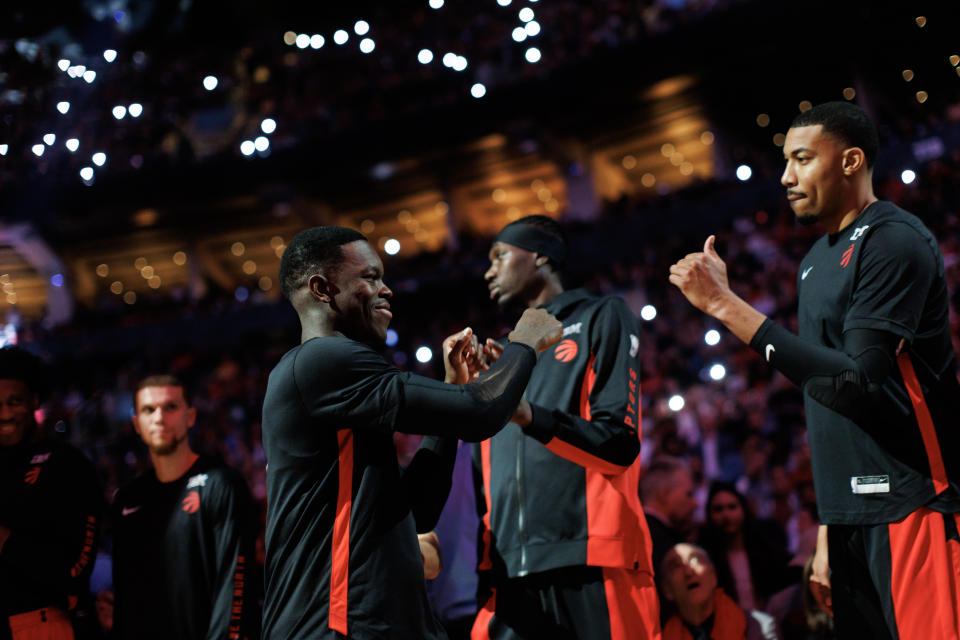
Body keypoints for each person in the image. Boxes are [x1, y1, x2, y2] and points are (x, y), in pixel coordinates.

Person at [669, 101, 960, 639]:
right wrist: (830, 526)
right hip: (849, 517)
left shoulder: (893, 240)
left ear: (850, 161)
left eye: (801, 159)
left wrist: (726, 306)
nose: (785, 176)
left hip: (913, 502)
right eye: (785, 160)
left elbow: (857, 382)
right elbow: (825, 400)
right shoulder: (813, 260)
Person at [261, 226, 561, 639]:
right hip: (335, 623)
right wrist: (523, 343)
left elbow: (416, 511)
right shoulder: (323, 361)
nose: (387, 290)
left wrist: (454, 388)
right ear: (322, 288)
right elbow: (481, 412)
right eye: (370, 277)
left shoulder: (337, 379)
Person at [473, 215, 659, 640]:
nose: (489, 270)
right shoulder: (499, 356)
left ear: (540, 255)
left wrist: (529, 415)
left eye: (500, 255)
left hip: (592, 560)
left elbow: (619, 442)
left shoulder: (602, 315)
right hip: (509, 573)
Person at [111, 375, 260, 640]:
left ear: (190, 416)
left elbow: (236, 585)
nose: (159, 418)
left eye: (170, 407)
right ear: (136, 424)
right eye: (149, 410)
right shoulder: (127, 499)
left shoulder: (221, 483)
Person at [0, 345, 102, 640]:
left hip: (46, 625)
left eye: (14, 401)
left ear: (34, 400)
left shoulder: (66, 464)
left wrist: (7, 542)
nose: (5, 414)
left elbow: (75, 571)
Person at [697, 483, 797, 612]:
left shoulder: (765, 548)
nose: (726, 515)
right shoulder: (706, 559)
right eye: (718, 509)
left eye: (732, 507)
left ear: (743, 509)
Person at [660, 543, 778, 640]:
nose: (688, 572)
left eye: (694, 559)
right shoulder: (659, 636)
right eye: (676, 566)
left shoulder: (760, 627)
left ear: (714, 576)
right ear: (667, 590)